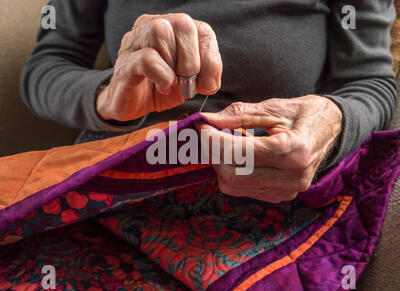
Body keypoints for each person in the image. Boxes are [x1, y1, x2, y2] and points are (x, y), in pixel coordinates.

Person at [21, 0, 397, 203]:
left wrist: (331, 122)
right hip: (106, 188)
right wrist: (106, 97)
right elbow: (46, 66)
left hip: (271, 198)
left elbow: (371, 84)